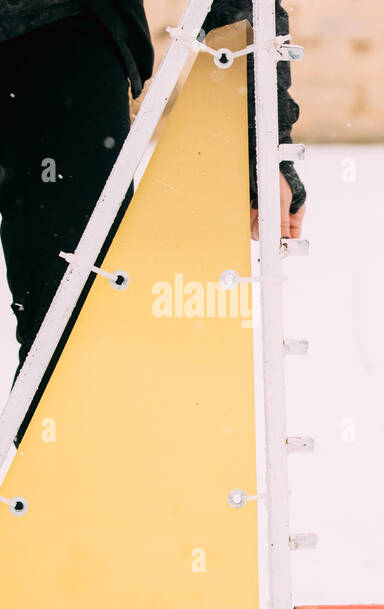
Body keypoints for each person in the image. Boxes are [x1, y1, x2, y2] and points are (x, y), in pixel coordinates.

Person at [0, 0, 305, 441]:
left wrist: (266, 141)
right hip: (63, 42)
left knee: (70, 341)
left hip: (61, 42)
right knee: (70, 339)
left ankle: (68, 496)